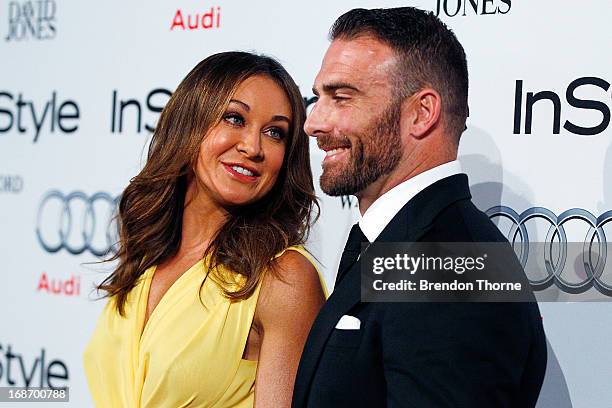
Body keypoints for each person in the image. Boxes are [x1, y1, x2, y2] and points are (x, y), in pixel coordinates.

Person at [293, 7, 547, 408]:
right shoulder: (409, 243)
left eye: (341, 98)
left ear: (422, 113)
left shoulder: (450, 268)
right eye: (318, 97)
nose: (313, 123)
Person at [83, 51, 327, 407]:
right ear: (189, 124)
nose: (252, 147)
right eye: (234, 118)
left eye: (275, 133)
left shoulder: (283, 278)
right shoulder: (148, 252)